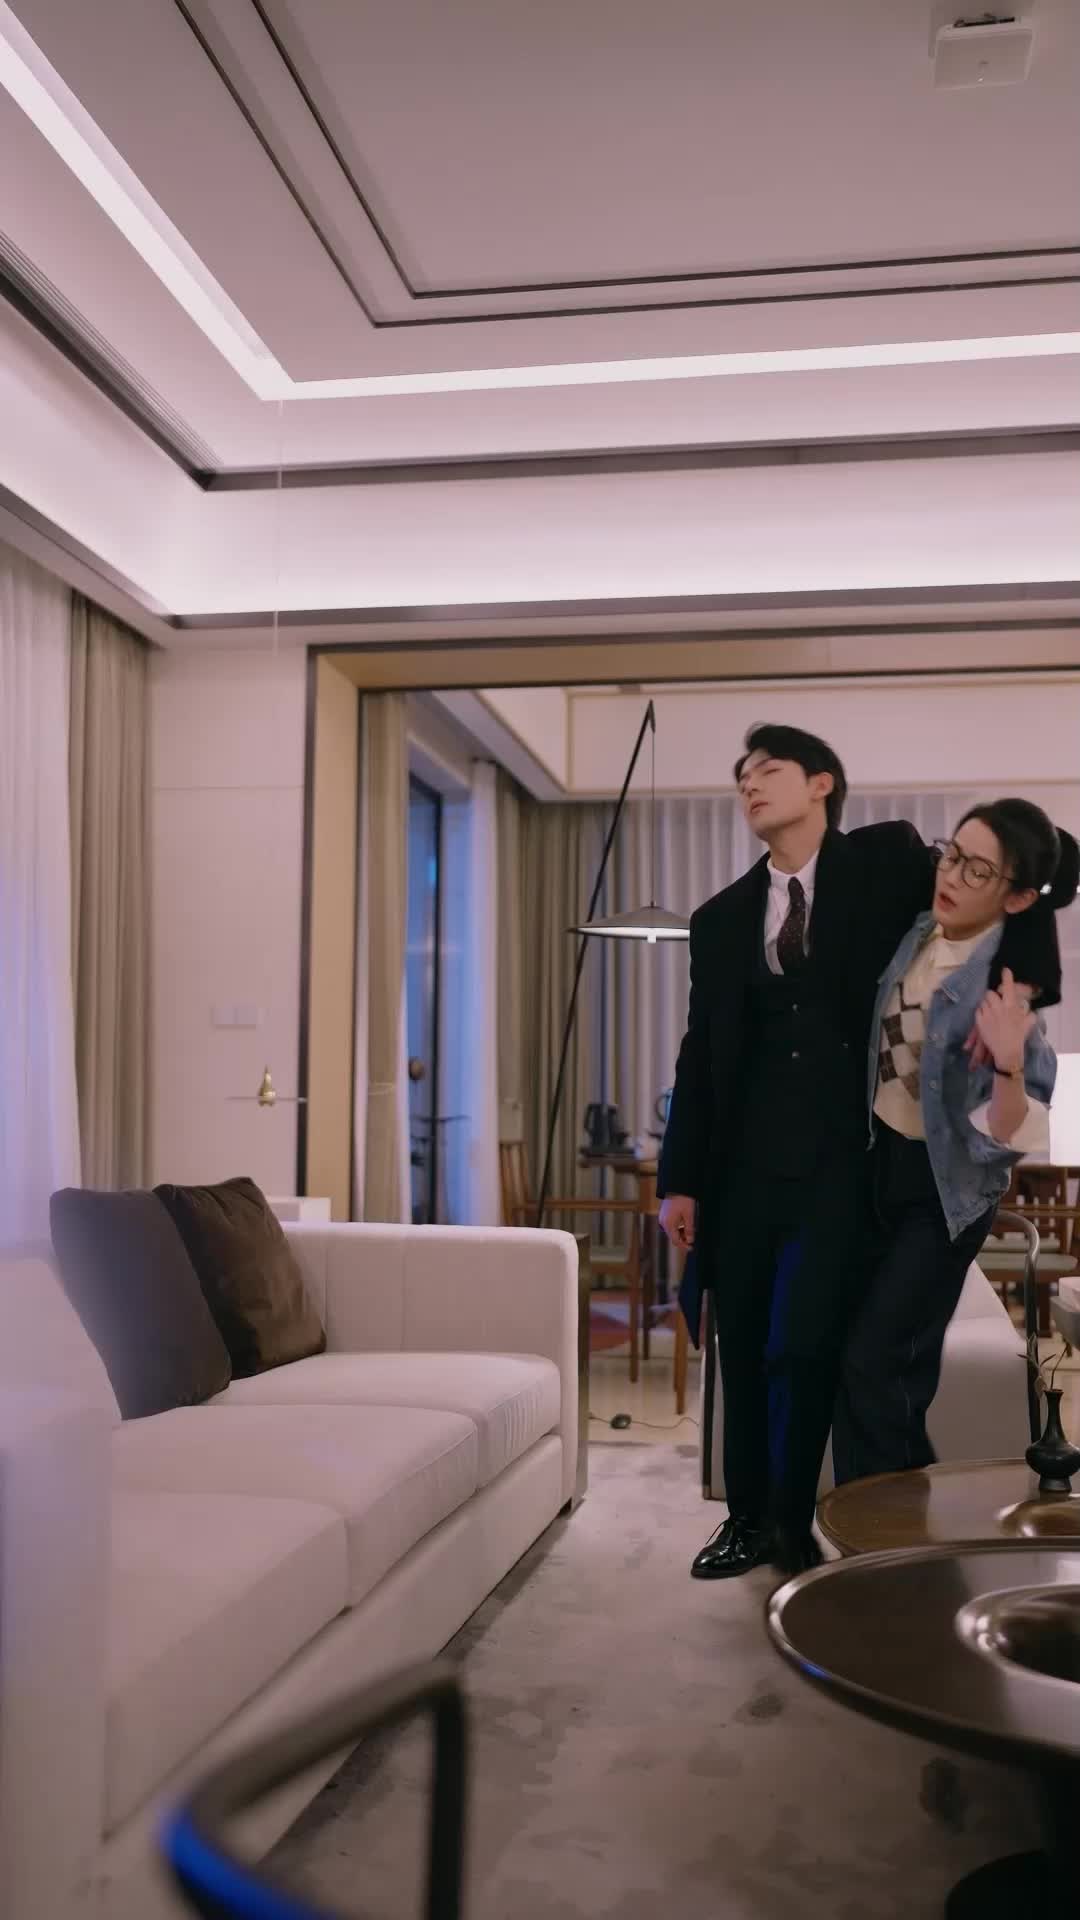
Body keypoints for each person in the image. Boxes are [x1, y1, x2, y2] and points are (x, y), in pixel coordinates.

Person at [657, 725, 937, 1577]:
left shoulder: (881, 869)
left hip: (841, 1168)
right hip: (741, 1171)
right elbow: (700, 1056)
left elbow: (980, 885)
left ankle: (792, 1520)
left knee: (804, 1345)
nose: (749, 785)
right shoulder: (719, 919)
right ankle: (746, 1521)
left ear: (821, 784)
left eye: (768, 770)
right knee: (741, 1347)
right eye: (741, 776)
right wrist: (679, 1181)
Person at [832, 800, 1078, 1485]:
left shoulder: (1004, 987)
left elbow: (1014, 1133)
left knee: (877, 1363)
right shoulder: (915, 933)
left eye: (978, 871)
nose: (952, 876)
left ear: (1018, 897)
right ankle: (889, 1530)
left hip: (940, 1197)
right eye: (953, 855)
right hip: (875, 1170)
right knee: (873, 1372)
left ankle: (881, 1534)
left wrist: (1007, 1062)